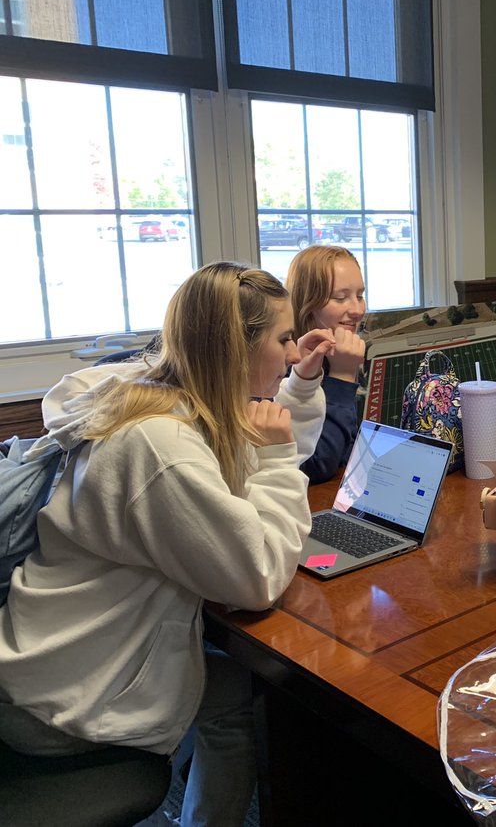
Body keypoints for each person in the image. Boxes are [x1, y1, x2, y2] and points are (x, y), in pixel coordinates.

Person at [0, 262, 333, 825]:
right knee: (257, 699)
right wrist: (278, 456)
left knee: (238, 692)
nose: (293, 355)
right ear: (236, 348)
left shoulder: (142, 397)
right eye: (282, 340)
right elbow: (258, 579)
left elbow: (221, 503)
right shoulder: (160, 448)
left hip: (43, 661)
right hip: (64, 702)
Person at [286, 245, 367, 483]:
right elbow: (315, 465)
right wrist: (342, 376)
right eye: (340, 297)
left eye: (360, 295)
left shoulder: (347, 349)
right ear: (307, 304)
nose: (357, 310)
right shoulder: (286, 366)